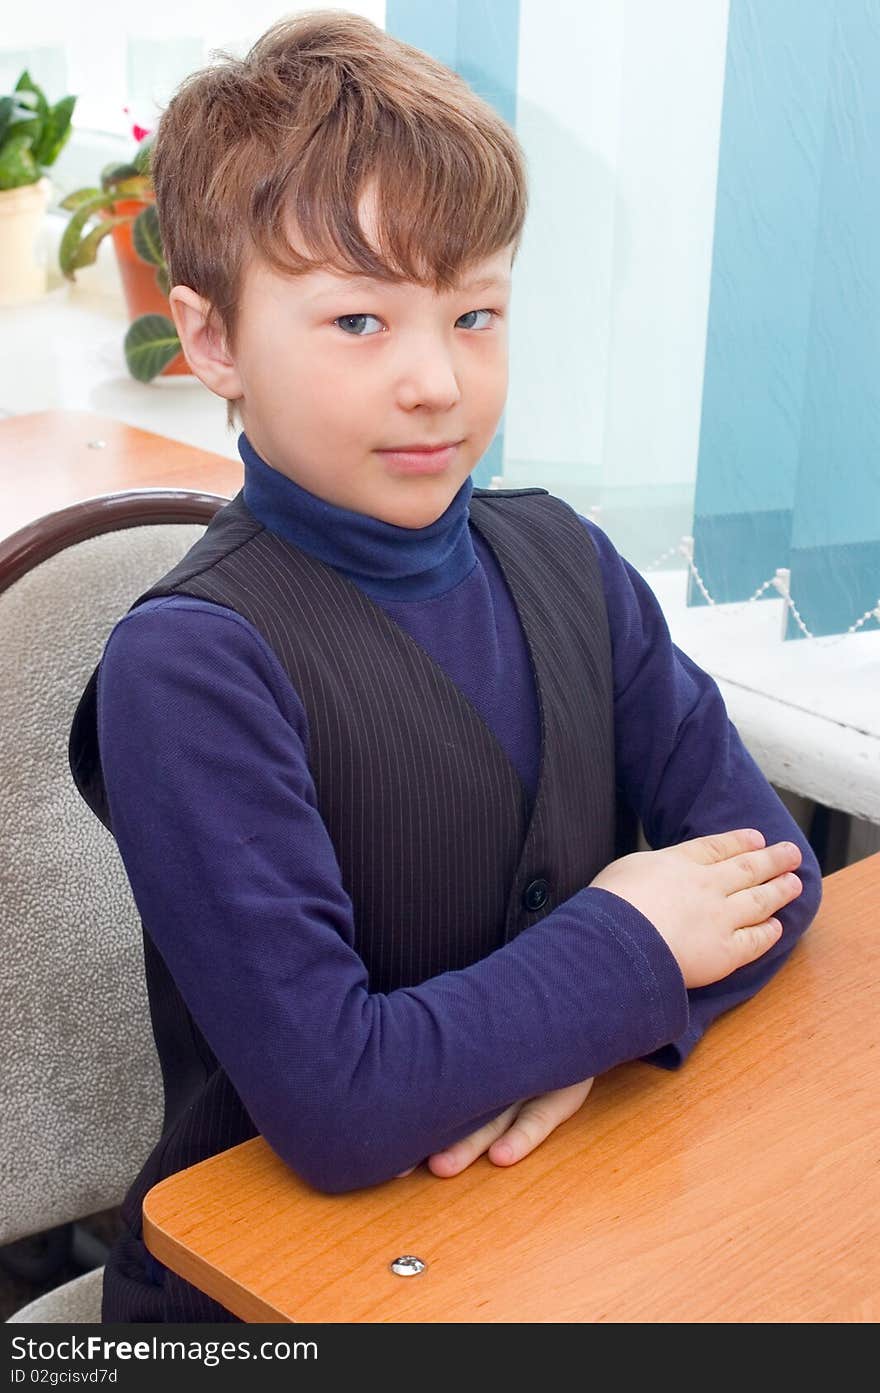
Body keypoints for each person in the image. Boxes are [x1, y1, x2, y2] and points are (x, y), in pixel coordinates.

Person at [68, 10, 821, 1324]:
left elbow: (771, 872)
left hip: (537, 1230)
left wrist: (588, 1026)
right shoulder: (188, 669)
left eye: (475, 312)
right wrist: (633, 945)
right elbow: (340, 1102)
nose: (436, 380)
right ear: (212, 342)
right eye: (360, 320)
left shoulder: (567, 559)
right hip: (254, 1307)